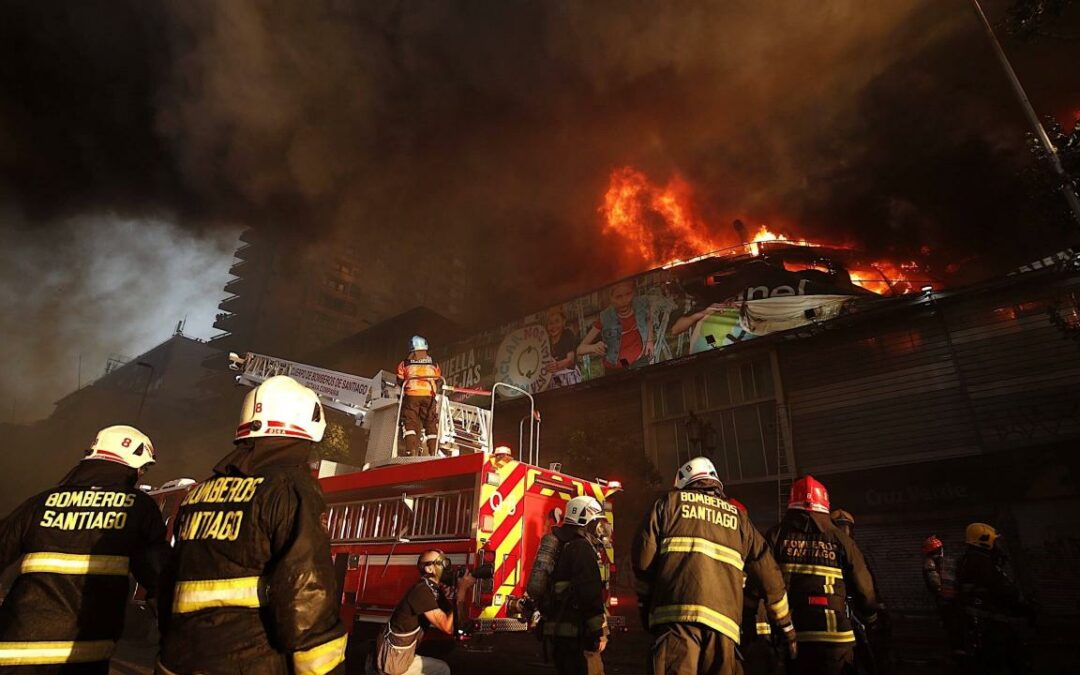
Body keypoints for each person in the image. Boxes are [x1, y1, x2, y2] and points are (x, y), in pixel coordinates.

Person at [157, 375, 347, 674]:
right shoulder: (291, 487)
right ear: (306, 428)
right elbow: (305, 589)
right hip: (251, 661)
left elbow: (169, 583)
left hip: (177, 659)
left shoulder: (200, 492)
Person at [0, 425, 168, 673]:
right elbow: (160, 579)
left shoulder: (40, 503)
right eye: (143, 468)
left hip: (15, 648)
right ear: (133, 464)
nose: (142, 474)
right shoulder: (139, 508)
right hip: (83, 655)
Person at [634, 457, 795, 675]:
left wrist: (646, 608)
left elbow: (643, 560)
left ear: (683, 483)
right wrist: (786, 628)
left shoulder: (669, 504)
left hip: (676, 620)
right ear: (716, 484)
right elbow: (770, 576)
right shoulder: (739, 519)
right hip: (723, 628)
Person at [768, 476, 879, 675]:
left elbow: (763, 582)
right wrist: (871, 616)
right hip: (836, 638)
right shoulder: (842, 540)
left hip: (793, 635)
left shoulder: (776, 537)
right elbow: (864, 588)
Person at [535, 495, 610, 675]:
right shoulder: (582, 548)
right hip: (577, 636)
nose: (599, 530)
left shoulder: (564, 546)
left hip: (559, 634)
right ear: (584, 520)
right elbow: (589, 593)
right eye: (596, 523)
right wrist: (599, 632)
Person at [372, 550, 475, 675]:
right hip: (393, 664)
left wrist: (462, 590)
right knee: (442, 670)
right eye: (441, 562)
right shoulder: (421, 591)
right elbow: (447, 627)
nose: (446, 566)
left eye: (446, 561)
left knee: (442, 668)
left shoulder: (434, 591)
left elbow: (455, 623)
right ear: (429, 569)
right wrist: (461, 590)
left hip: (403, 658)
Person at [955, 523, 1032, 675]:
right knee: (1009, 661)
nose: (997, 545)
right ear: (984, 540)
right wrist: (1022, 606)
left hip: (982, 622)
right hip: (993, 621)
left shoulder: (968, 560)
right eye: (994, 541)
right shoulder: (981, 562)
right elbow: (1002, 589)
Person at [578, 280, 655, 372]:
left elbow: (648, 318)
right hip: (615, 370)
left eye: (628, 294)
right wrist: (593, 347)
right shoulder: (605, 317)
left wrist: (650, 341)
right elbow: (580, 349)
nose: (624, 300)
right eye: (618, 297)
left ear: (633, 292)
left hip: (640, 361)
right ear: (611, 298)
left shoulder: (641, 304)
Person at [397, 335, 443, 457]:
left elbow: (400, 379)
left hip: (412, 395)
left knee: (410, 422)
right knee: (430, 423)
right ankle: (433, 451)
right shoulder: (434, 363)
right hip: (429, 396)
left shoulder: (405, 363)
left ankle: (410, 450)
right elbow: (438, 378)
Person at [921, 535, 963, 663]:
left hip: (947, 598)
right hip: (947, 599)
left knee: (952, 623)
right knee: (952, 624)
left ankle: (958, 648)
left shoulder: (934, 562)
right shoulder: (932, 563)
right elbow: (935, 582)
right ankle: (958, 650)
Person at [543, 307, 579, 374]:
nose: (554, 326)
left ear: (563, 322)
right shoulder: (546, 341)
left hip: (569, 375)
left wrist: (556, 365)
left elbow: (570, 360)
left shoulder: (567, 334)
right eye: (550, 323)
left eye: (557, 321)